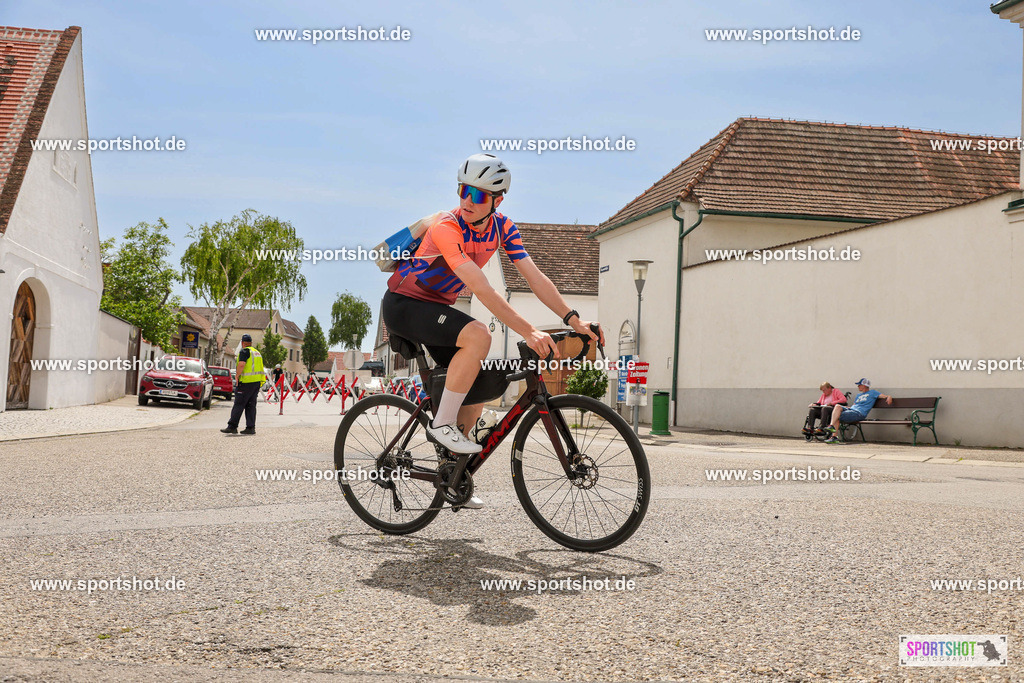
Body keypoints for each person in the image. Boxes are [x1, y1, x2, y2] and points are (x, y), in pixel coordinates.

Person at [381, 153, 604, 507]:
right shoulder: (447, 227)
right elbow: (482, 289)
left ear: (497, 201)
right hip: (404, 305)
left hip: (436, 308)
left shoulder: (504, 228)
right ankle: (442, 425)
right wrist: (530, 331)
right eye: (464, 190)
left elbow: (536, 278)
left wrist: (574, 319)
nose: (468, 200)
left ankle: (454, 475)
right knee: (479, 334)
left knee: (483, 379)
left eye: (479, 195)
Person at [824, 378, 893, 444]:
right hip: (852, 410)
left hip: (859, 413)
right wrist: (847, 407)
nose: (858, 386)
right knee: (837, 406)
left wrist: (889, 397)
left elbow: (885, 396)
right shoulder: (858, 395)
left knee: (837, 416)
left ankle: (834, 436)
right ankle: (831, 427)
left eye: (860, 385)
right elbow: (855, 405)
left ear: (865, 385)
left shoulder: (873, 392)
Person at [221, 334, 265, 435]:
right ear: (251, 343)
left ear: (242, 343)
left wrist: (237, 376)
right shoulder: (257, 352)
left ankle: (232, 426)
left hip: (245, 382)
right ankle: (250, 427)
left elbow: (241, 364)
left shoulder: (245, 351)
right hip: (256, 383)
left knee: (239, 404)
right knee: (251, 406)